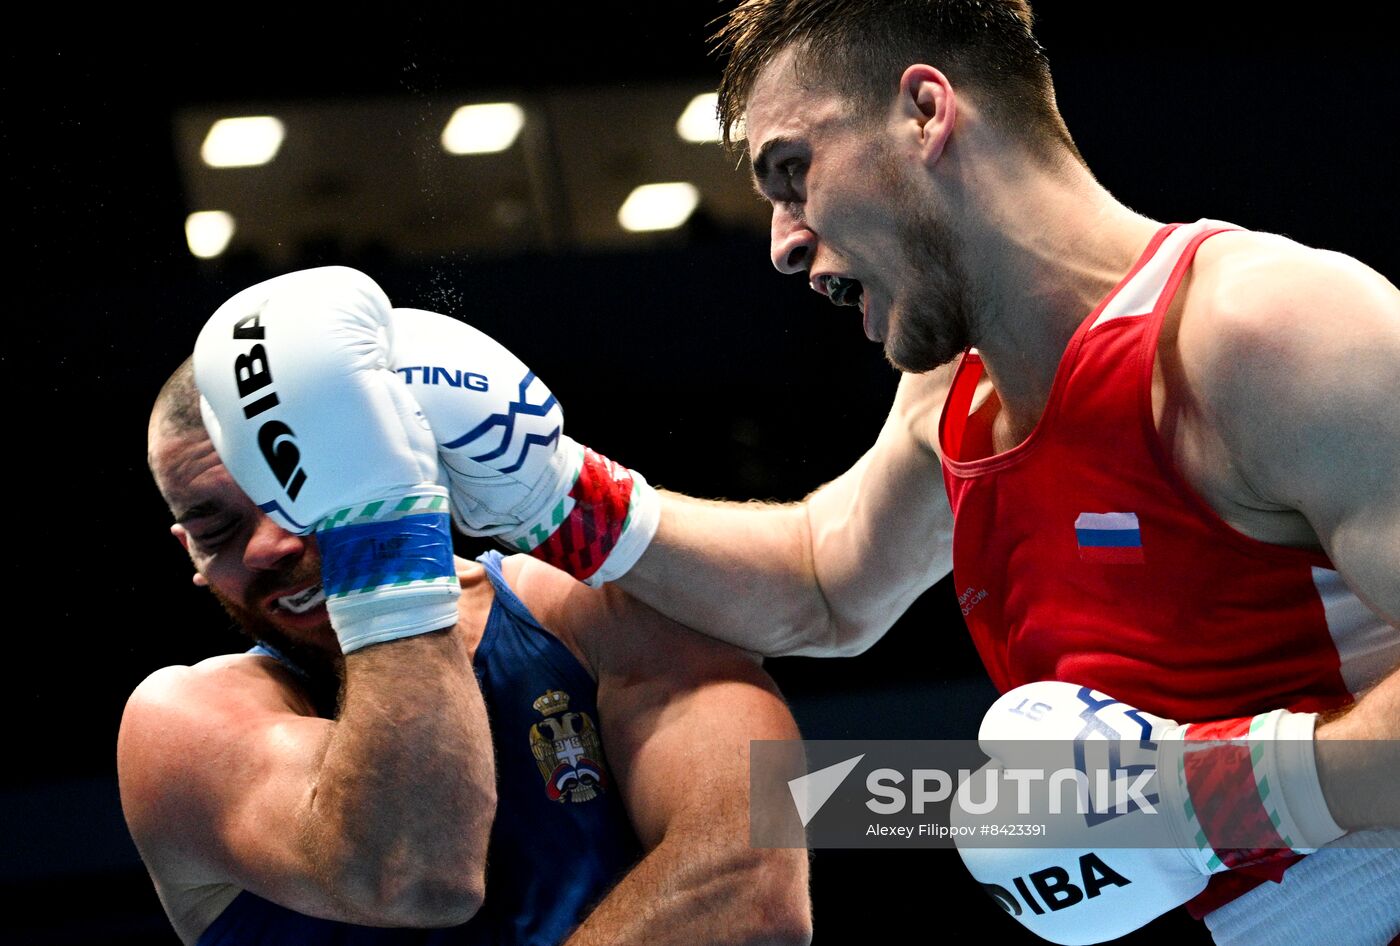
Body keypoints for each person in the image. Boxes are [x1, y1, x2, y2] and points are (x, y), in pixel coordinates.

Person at [406, 2, 1399, 944]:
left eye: (792, 172)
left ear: (925, 113)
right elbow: (819, 586)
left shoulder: (1265, 331)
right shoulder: (952, 392)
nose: (783, 244)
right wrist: (552, 495)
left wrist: (1197, 795)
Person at [120, 313, 812, 943]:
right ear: (193, 557)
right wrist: (383, 534)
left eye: (297, 486)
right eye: (218, 526)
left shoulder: (597, 614)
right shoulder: (177, 727)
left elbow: (755, 893)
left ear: (391, 455)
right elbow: (417, 873)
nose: (269, 544)